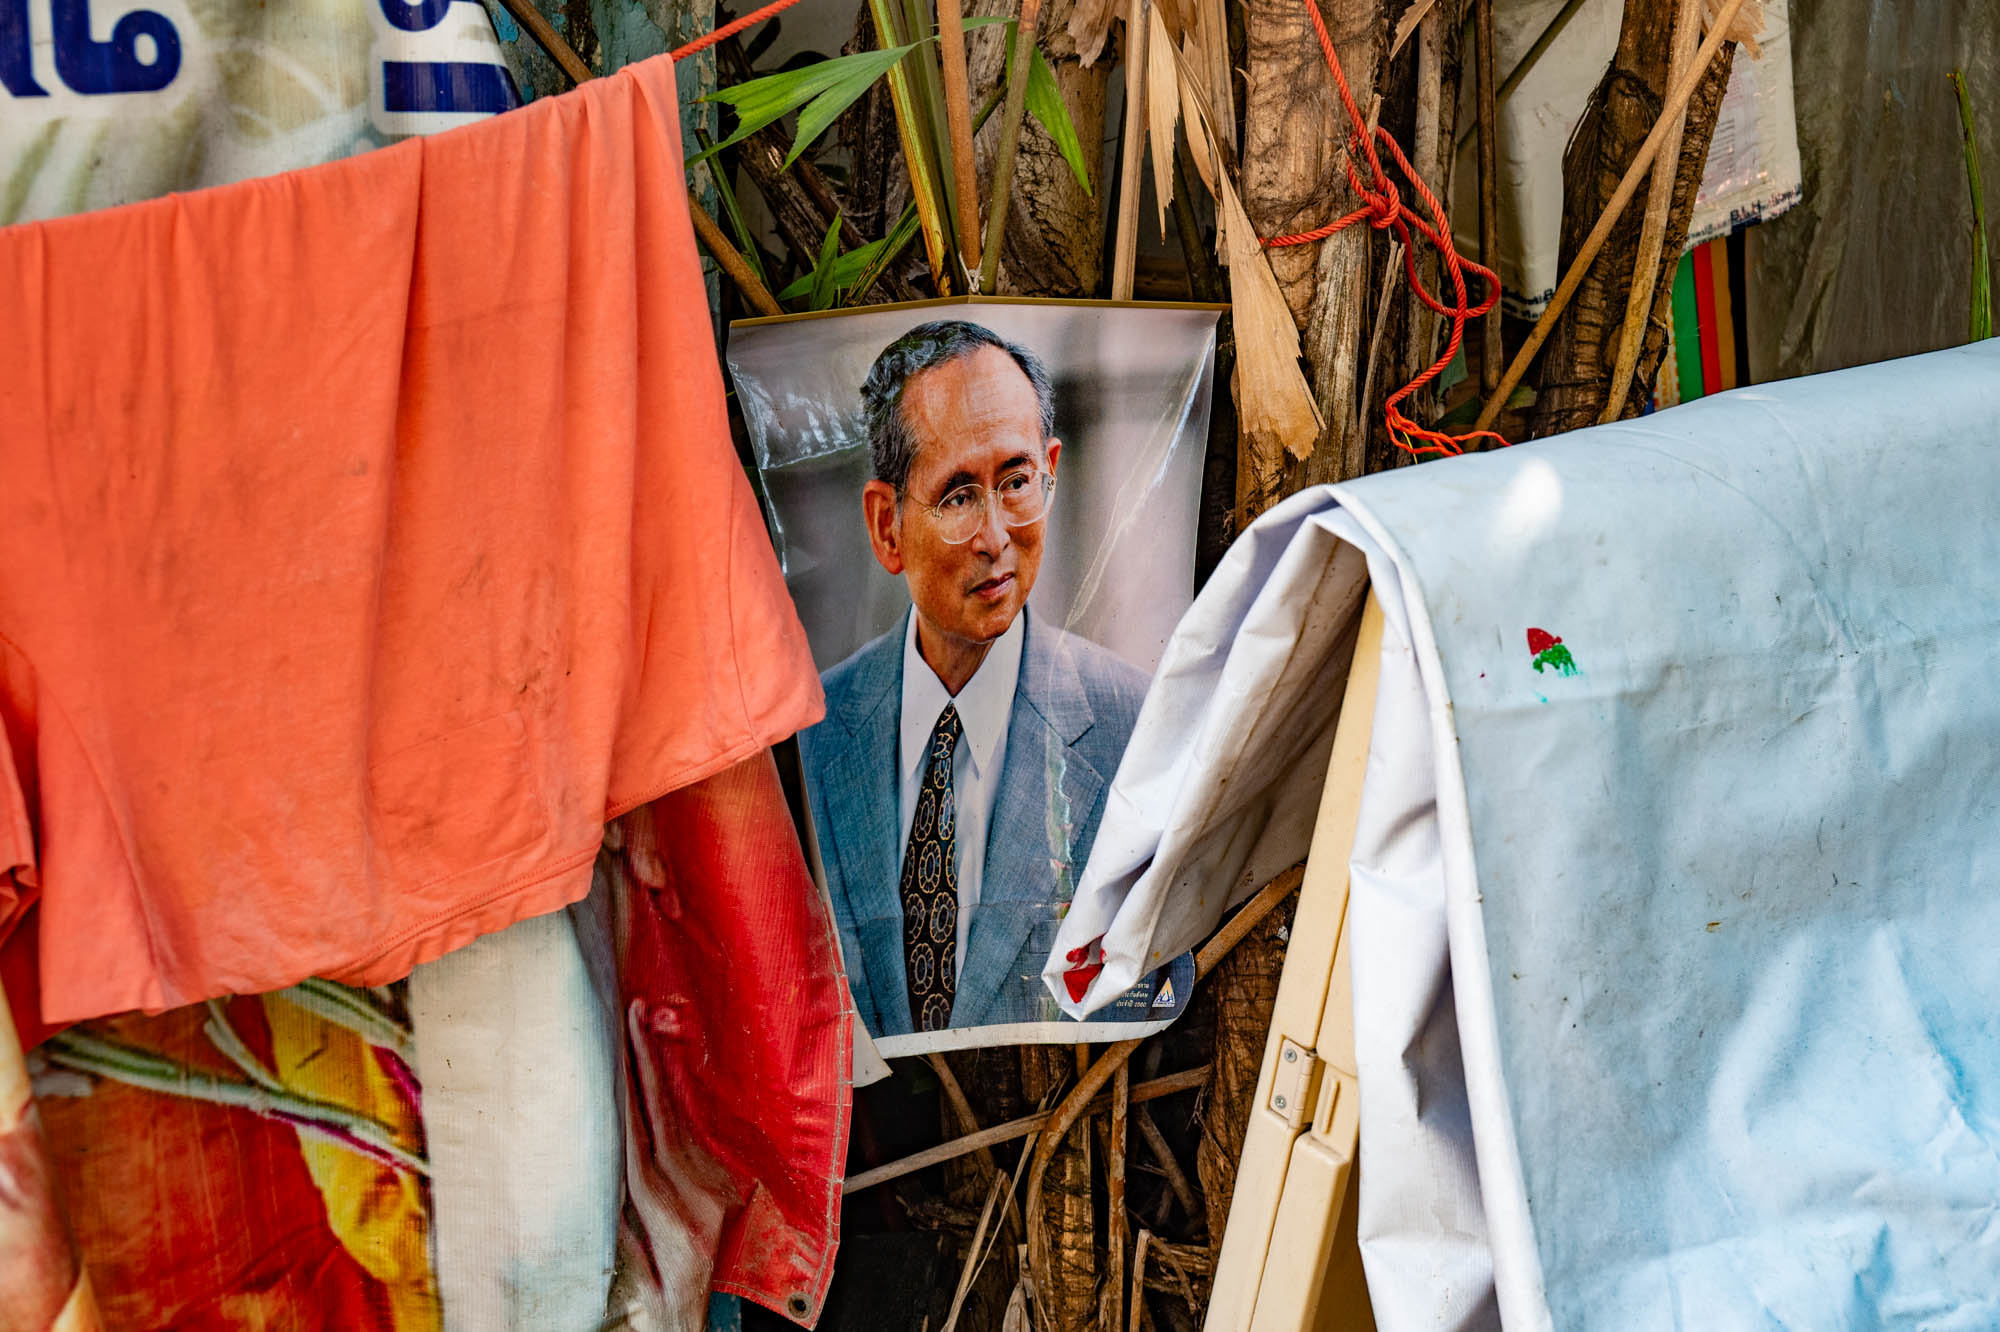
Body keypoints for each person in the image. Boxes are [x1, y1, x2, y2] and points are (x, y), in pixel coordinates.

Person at [799, 321, 1149, 1037]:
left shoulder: (1134, 729)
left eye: (1017, 483)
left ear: (1051, 471)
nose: (995, 538)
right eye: (958, 497)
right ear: (887, 527)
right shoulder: (810, 736)